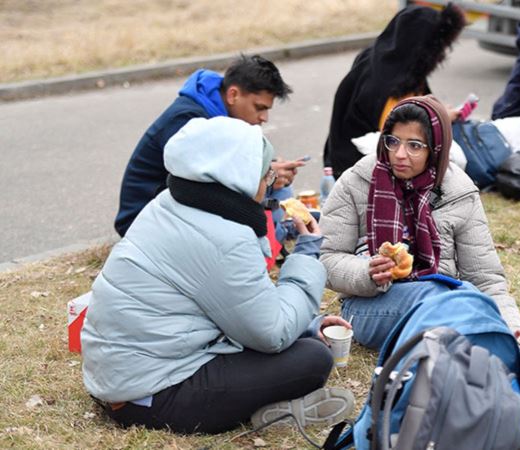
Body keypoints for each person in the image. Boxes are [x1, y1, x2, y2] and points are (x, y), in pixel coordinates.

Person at [82, 116, 354, 434]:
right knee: (314, 359)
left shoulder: (173, 203)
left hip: (118, 375)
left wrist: (306, 324)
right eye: (266, 173)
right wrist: (307, 253)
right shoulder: (224, 238)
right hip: (149, 395)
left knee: (303, 343)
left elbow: (234, 307)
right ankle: (275, 413)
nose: (270, 183)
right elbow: (272, 335)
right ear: (237, 177)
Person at [319, 96, 520, 350]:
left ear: (436, 149)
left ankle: (495, 342)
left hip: (446, 300)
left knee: (465, 293)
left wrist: (511, 327)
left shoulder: (459, 192)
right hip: (368, 307)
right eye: (392, 141)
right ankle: (485, 338)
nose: (399, 154)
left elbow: (486, 278)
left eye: (415, 145)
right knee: (447, 296)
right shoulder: (356, 181)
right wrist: (367, 272)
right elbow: (327, 258)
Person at [114, 54, 305, 239]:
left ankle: (277, 232)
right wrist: (266, 177)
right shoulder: (189, 121)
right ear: (233, 95)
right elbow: (210, 192)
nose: (264, 118)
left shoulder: (213, 115)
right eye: (259, 107)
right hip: (141, 221)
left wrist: (265, 169)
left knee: (279, 193)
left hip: (173, 208)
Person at [323, 3, 466, 180]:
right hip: (359, 169)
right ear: (425, 50)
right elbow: (401, 134)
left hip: (339, 159)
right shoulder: (396, 85)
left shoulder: (379, 59)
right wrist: (442, 117)